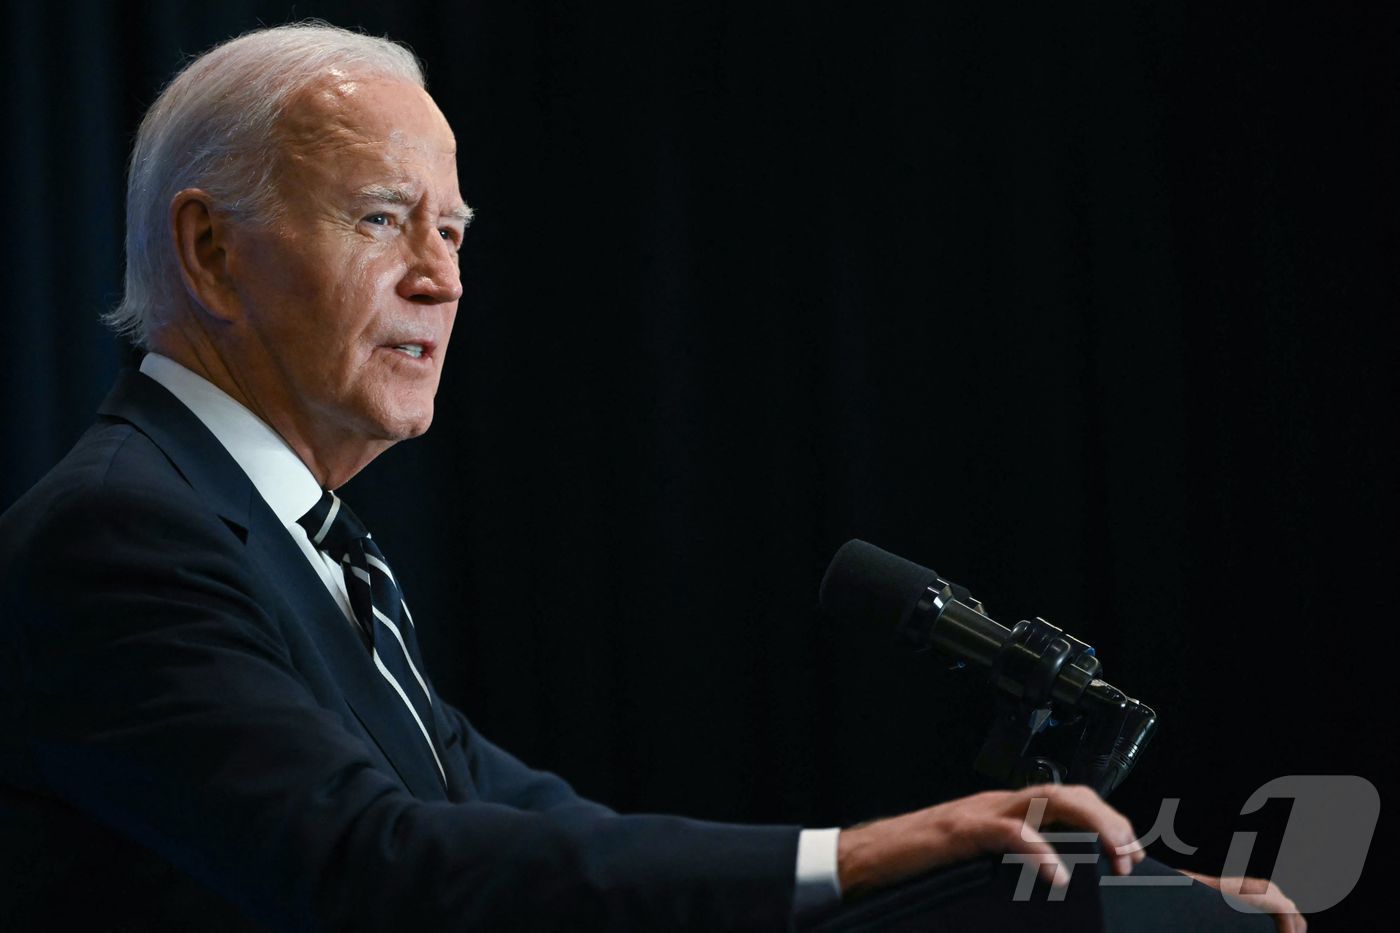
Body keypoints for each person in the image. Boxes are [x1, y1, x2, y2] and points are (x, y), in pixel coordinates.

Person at [0, 23, 1301, 932]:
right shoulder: (126, 530)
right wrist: (863, 854)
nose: (443, 279)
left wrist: (1095, 902)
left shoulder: (302, 541)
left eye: (452, 229)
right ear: (213, 251)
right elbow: (375, 866)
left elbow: (518, 816)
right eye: (382, 218)